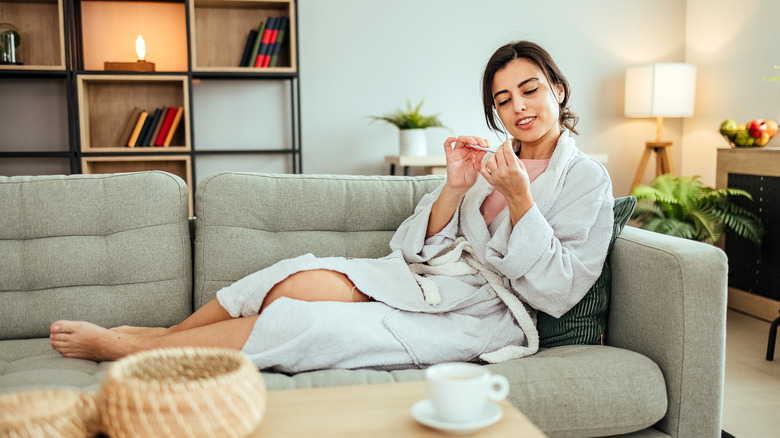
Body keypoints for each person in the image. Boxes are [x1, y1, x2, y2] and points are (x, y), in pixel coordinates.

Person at [50, 41, 614, 372]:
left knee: (307, 321)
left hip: (483, 316)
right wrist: (454, 186)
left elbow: (560, 289)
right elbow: (421, 244)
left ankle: (135, 352)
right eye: (504, 98)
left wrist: (519, 202)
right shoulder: (494, 161)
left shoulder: (586, 180)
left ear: (557, 90)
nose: (519, 107)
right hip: (425, 277)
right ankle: (166, 331)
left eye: (530, 88)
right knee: (297, 275)